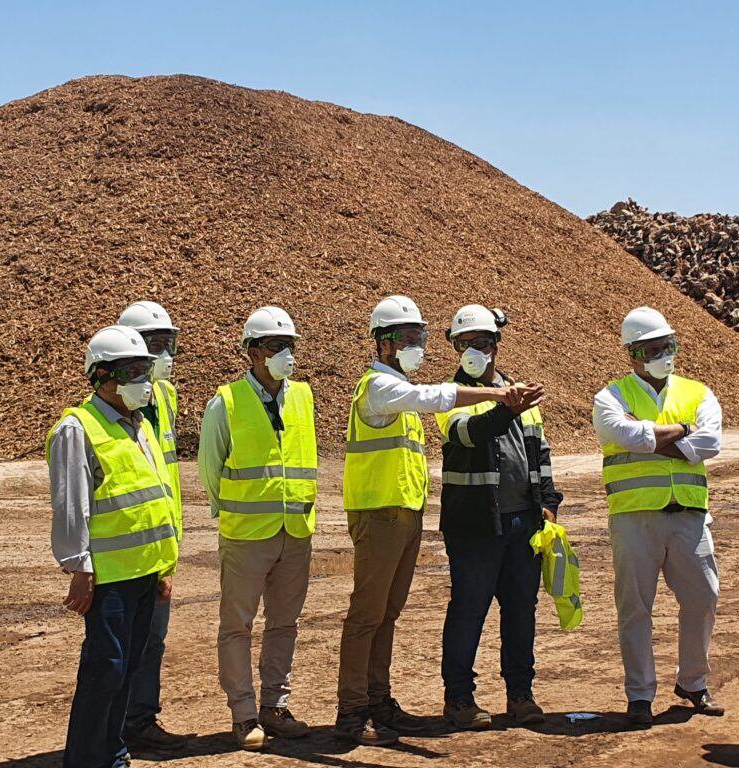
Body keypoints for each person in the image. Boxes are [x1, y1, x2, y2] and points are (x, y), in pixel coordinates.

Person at [335, 295, 543, 746]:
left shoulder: (397, 388)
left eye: (420, 338)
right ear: (383, 343)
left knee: (386, 615)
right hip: (382, 514)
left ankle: (378, 700)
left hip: (405, 514)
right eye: (408, 338)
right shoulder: (379, 387)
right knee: (367, 616)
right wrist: (500, 398)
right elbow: (439, 400)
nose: (417, 346)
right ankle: (352, 711)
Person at [48, 326, 180, 768]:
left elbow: (152, 498)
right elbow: (72, 507)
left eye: (145, 369)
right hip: (108, 579)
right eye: (132, 371)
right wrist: (79, 567)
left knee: (128, 668)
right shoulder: (78, 428)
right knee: (105, 671)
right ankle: (87, 758)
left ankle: (114, 751)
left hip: (144, 571)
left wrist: (162, 567)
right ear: (102, 377)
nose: (144, 380)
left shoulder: (138, 425)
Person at [592, 306, 723, 725]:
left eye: (668, 345)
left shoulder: (698, 392)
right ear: (633, 354)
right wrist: (682, 430)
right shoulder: (610, 397)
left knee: (703, 597)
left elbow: (711, 442)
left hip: (688, 515)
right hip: (634, 518)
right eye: (653, 348)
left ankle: (692, 681)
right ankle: (639, 695)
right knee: (635, 608)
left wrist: (654, 437)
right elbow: (626, 434)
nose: (664, 353)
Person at [434, 305, 562, 730]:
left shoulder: (518, 392)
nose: (473, 351)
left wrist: (548, 502)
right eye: (464, 344)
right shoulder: (449, 395)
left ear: (496, 346)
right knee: (469, 609)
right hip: (473, 525)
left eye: (482, 343)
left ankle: (520, 695)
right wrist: (507, 406)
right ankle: (459, 699)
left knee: (521, 609)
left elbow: (539, 452)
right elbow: (468, 434)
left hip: (523, 522)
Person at [197, 307, 316, 751]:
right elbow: (210, 466)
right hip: (246, 534)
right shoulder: (225, 401)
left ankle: (275, 706)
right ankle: (243, 714)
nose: (285, 355)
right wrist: (228, 508)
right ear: (252, 353)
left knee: (285, 623)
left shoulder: (302, 396)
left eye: (290, 346)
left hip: (296, 531)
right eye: (275, 347)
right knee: (237, 626)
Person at [117, 301, 186, 753]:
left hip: (161, 543)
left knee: (153, 640)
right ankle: (117, 724)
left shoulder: (166, 397)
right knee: (121, 644)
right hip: (125, 548)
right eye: (155, 346)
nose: (165, 356)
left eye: (168, 345)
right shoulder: (112, 403)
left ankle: (140, 719)